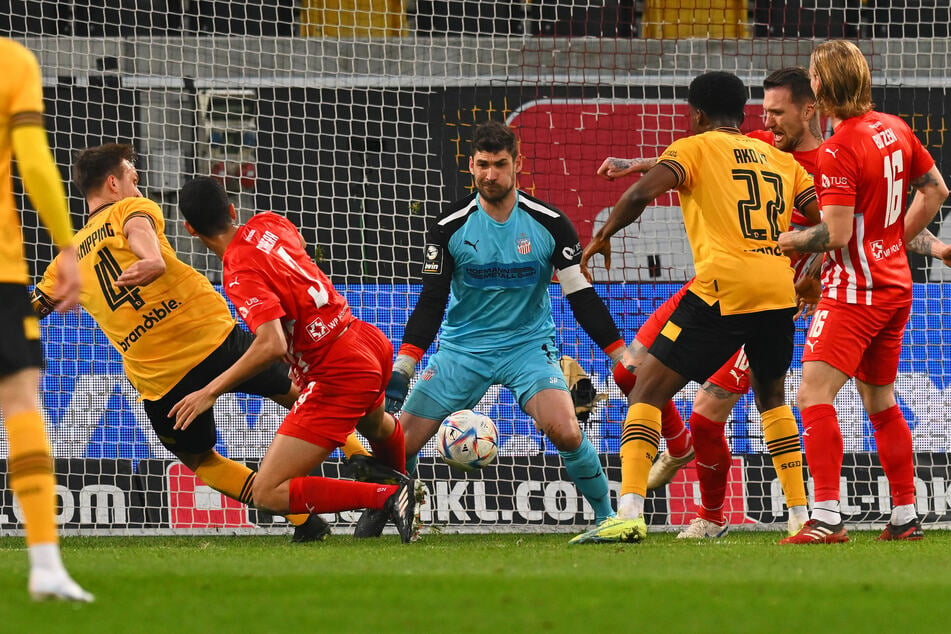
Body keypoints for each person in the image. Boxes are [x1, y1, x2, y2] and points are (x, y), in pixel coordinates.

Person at [32, 143, 371, 544]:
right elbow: (138, 232)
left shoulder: (64, 261)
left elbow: (30, 310)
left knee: (200, 459)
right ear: (113, 183)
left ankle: (304, 521)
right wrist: (152, 258)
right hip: (214, 337)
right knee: (299, 394)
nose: (138, 189)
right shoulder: (133, 209)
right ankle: (362, 460)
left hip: (163, 379)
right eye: (133, 180)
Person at [572, 71, 819, 544]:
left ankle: (627, 512)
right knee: (773, 399)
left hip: (724, 288)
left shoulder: (693, 148)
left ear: (698, 115)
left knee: (644, 391)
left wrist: (603, 236)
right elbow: (824, 216)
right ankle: (800, 515)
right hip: (777, 290)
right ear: (745, 114)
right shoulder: (781, 160)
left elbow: (642, 194)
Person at [361, 120, 627, 540]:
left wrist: (619, 356)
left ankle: (608, 518)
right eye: (482, 165)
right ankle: (395, 504)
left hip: (528, 346)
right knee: (400, 444)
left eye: (500, 164)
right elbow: (431, 303)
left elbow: (581, 296)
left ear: (518, 163)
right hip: (462, 349)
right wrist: (404, 368)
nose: (490, 175)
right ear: (471, 165)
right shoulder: (450, 226)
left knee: (566, 429)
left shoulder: (550, 223)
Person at [171, 176, 423, 543]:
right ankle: (397, 500)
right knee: (378, 426)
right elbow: (298, 248)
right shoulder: (269, 222)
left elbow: (271, 344)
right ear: (232, 209)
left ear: (190, 229)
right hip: (363, 339)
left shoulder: (238, 272)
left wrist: (210, 391)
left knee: (267, 491)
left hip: (335, 369)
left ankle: (387, 497)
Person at [777, 40, 949, 544]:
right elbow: (936, 189)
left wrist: (784, 237)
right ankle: (904, 514)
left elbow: (833, 234)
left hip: (855, 290)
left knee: (812, 395)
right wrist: (893, 239)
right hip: (896, 285)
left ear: (823, 87)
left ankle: (827, 516)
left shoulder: (837, 148)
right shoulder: (895, 128)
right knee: (880, 401)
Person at [0, 37, 92, 603]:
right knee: (20, 402)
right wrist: (67, 247)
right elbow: (33, 160)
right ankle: (44, 563)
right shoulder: (12, 61)